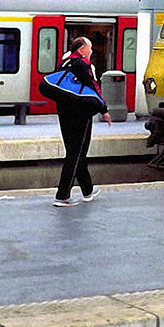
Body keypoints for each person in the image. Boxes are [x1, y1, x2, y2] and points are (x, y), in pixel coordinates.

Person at [49, 35, 111, 206]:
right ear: (82, 49)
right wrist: (104, 110)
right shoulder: (83, 65)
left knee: (76, 152)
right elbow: (93, 86)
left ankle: (88, 190)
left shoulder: (64, 63)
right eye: (89, 48)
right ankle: (62, 196)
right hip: (80, 115)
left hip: (64, 113)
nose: (91, 51)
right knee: (76, 154)